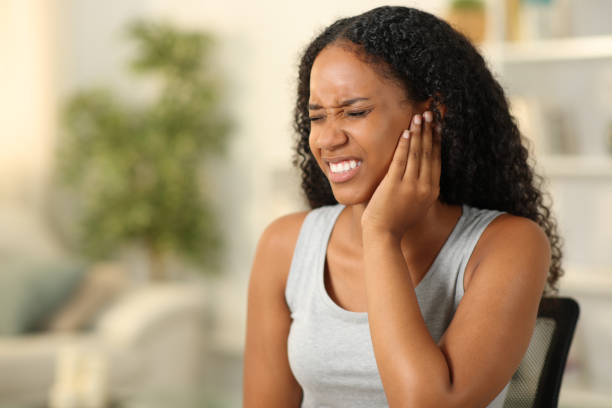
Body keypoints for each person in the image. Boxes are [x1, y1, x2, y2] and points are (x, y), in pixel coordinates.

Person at [243, 6, 562, 408]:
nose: (326, 139)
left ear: (434, 114)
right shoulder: (285, 245)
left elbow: (428, 403)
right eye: (317, 117)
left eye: (355, 112)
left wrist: (381, 234)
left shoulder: (508, 245)